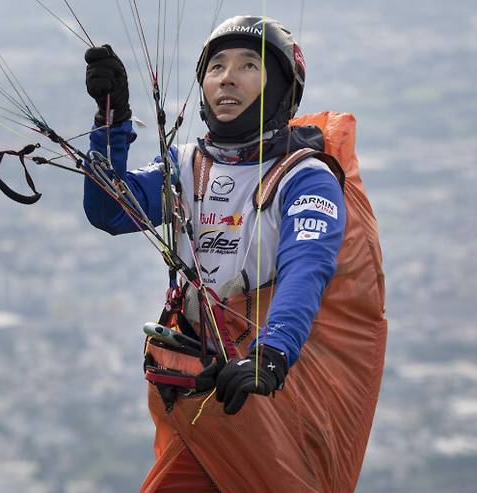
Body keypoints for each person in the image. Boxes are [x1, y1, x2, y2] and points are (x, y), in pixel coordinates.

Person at [83, 15, 385, 493]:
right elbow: (110, 210)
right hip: (205, 390)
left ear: (282, 87)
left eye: (248, 65)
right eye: (216, 65)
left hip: (270, 388)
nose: (227, 76)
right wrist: (111, 123)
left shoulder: (306, 177)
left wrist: (272, 352)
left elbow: (307, 267)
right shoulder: (186, 165)